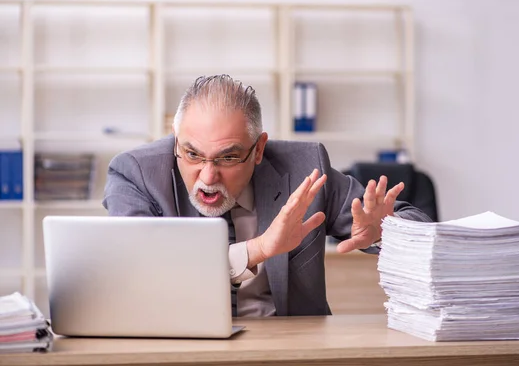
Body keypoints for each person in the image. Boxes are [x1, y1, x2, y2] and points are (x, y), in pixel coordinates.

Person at [103, 75, 431, 317]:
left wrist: (389, 233)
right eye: (191, 154)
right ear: (176, 140)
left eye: (228, 157)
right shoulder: (136, 173)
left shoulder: (305, 168)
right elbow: (139, 270)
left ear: (259, 148)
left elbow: (421, 225)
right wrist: (258, 249)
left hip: (289, 351)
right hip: (179, 350)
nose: (207, 176)